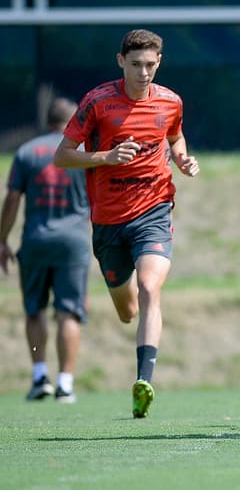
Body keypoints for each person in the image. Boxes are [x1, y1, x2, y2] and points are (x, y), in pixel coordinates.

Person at [53, 29, 200, 419]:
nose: (143, 73)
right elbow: (63, 156)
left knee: (152, 287)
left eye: (151, 65)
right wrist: (105, 157)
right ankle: (129, 311)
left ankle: (143, 381)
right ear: (121, 62)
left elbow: (176, 137)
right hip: (107, 222)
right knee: (127, 310)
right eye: (136, 65)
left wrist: (183, 160)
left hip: (154, 210)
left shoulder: (170, 101)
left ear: (159, 63)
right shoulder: (97, 102)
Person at [1, 97, 88, 404]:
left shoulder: (27, 152)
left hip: (35, 241)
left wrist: (2, 240)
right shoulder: (82, 153)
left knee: (34, 309)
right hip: (73, 243)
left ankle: (40, 376)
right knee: (69, 311)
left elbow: (12, 200)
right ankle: (65, 382)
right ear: (72, 120)